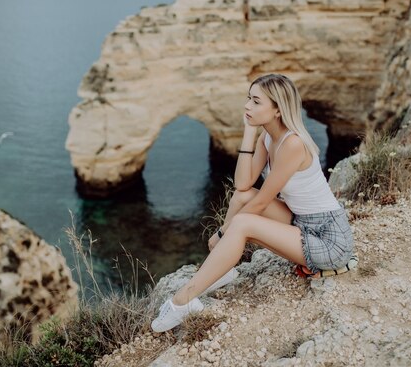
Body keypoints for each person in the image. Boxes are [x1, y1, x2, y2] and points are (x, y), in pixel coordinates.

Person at [151, 74, 354, 333]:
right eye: (249, 98)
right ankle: (220, 269)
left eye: (256, 102)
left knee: (244, 222)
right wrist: (250, 131)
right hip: (302, 224)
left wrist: (221, 235)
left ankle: (182, 301)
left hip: (329, 240)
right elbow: (243, 184)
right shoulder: (268, 137)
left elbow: (261, 204)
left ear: (278, 110)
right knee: (242, 198)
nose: (247, 106)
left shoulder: (293, 144)